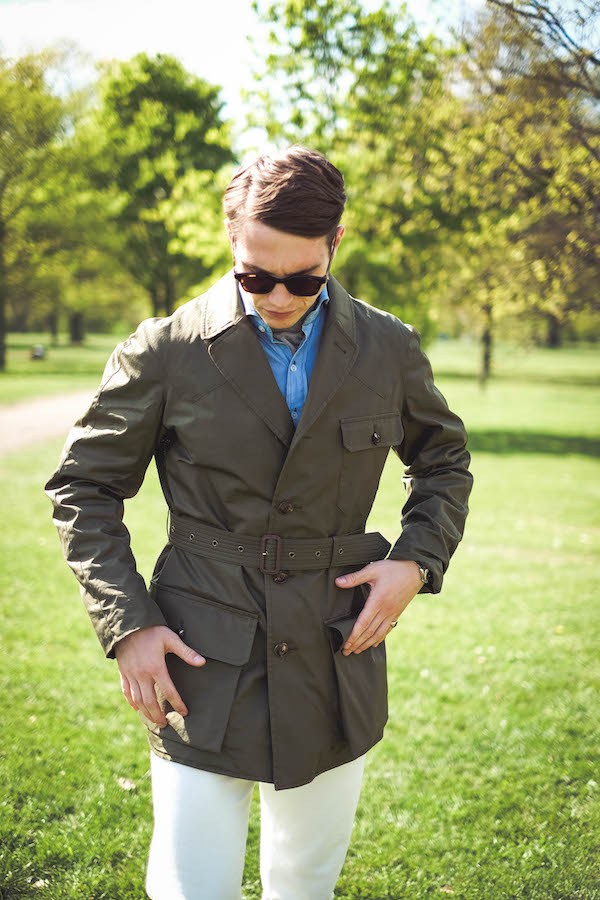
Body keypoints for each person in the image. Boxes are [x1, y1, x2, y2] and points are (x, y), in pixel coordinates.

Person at [45, 145, 473, 900]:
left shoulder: (388, 348)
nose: (278, 296)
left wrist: (415, 562)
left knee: (306, 886)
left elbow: (442, 463)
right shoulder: (165, 351)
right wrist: (127, 624)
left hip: (334, 650)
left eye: (302, 279)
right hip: (200, 658)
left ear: (335, 244)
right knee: (191, 887)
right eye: (255, 275)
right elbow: (82, 488)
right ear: (230, 243)